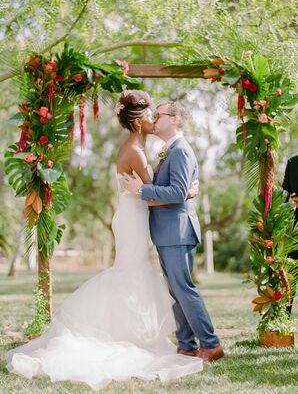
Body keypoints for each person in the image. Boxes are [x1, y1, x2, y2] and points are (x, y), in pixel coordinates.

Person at [6, 90, 203, 391]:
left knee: (132, 276)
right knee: (130, 275)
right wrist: (185, 193)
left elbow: (149, 192)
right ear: (138, 123)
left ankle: (127, 333)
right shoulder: (135, 152)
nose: (154, 122)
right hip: (133, 220)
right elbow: (150, 197)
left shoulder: (137, 147)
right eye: (151, 117)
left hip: (131, 218)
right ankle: (124, 338)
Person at [123, 101, 224, 361]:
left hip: (177, 230)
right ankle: (187, 345)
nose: (154, 119)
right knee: (176, 290)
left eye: (159, 115)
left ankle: (211, 344)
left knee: (183, 288)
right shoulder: (169, 151)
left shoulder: (180, 151)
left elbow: (178, 193)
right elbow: (180, 190)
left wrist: (142, 190)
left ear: (176, 119)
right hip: (168, 230)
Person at [282, 155, 298, 314]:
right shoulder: (293, 163)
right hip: (295, 230)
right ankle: (283, 321)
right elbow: (285, 195)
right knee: (289, 277)